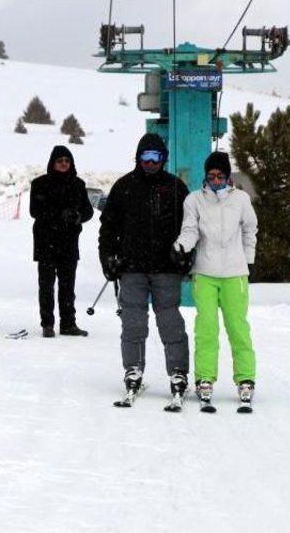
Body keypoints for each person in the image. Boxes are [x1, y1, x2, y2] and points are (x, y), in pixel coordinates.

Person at [98, 133, 190, 402]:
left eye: (156, 157)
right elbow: (108, 228)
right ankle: (133, 370)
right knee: (133, 321)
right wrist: (108, 259)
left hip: (166, 268)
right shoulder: (124, 186)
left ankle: (178, 371)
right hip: (132, 268)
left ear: (164, 159)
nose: (151, 163)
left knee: (170, 320)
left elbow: (191, 228)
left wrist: (186, 256)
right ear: (138, 158)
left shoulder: (175, 188)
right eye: (145, 157)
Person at [172, 151, 258, 407]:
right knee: (206, 328)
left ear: (228, 176)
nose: (216, 180)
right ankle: (204, 377)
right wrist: (180, 247)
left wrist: (249, 260)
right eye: (211, 176)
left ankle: (246, 378)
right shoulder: (194, 200)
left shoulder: (241, 199)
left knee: (237, 327)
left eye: (220, 175)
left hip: (234, 273)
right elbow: (190, 230)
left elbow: (250, 228)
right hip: (205, 272)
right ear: (205, 176)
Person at [30, 145, 94, 338]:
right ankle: (47, 324)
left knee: (68, 285)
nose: (64, 164)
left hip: (69, 241)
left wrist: (77, 216)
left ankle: (68, 323)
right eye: (60, 161)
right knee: (47, 285)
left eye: (67, 161)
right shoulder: (40, 184)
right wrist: (59, 214)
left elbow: (88, 211)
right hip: (46, 241)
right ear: (53, 163)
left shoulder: (78, 184)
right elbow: (35, 211)